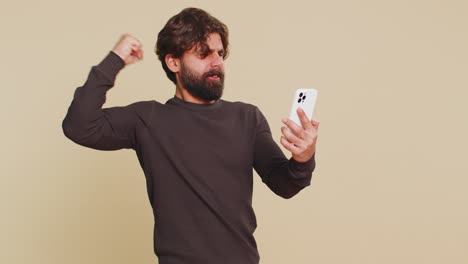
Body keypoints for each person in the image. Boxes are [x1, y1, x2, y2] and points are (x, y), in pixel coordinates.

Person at [62, 7, 320, 264]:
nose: (217, 61)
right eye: (203, 54)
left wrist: (303, 158)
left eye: (220, 53)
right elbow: (79, 126)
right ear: (173, 62)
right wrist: (115, 59)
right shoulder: (149, 119)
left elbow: (284, 185)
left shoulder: (247, 117)